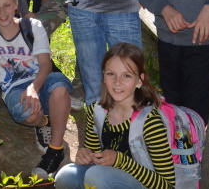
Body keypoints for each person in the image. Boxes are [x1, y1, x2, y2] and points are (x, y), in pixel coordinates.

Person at [0, 0, 72, 178]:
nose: (2, 12)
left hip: (41, 80)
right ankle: (44, 122)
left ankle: (55, 150)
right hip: (14, 88)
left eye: (7, 5)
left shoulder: (32, 26)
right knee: (26, 114)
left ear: (16, 5)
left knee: (60, 87)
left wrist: (34, 88)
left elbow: (45, 64)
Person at [54, 43, 175, 189]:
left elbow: (168, 185)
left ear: (140, 80)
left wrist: (120, 161)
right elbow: (93, 156)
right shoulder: (97, 111)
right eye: (111, 74)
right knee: (66, 176)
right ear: (104, 76)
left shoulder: (150, 122)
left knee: (97, 176)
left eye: (126, 76)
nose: (117, 82)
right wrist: (85, 155)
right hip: (105, 179)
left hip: (144, 185)